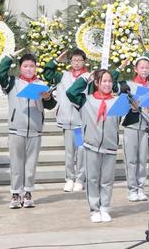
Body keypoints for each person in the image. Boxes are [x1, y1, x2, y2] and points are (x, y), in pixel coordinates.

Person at [0, 50, 57, 209]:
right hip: (17, 130)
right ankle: (16, 193)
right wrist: (10, 56)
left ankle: (28, 192)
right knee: (16, 163)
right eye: (26, 66)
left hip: (35, 130)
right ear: (20, 68)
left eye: (32, 66)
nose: (29, 69)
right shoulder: (12, 82)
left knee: (31, 164)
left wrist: (47, 97)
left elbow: (51, 105)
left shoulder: (41, 84)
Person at [66, 69, 120, 223]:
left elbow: (129, 115)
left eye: (110, 81)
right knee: (93, 179)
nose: (107, 84)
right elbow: (71, 92)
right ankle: (94, 209)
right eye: (104, 81)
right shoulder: (86, 100)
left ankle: (105, 208)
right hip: (91, 146)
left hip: (110, 147)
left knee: (107, 180)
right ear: (97, 83)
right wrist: (85, 78)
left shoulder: (117, 101)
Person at [44, 48, 89, 192]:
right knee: (69, 152)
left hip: (80, 121)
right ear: (69, 62)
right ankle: (69, 178)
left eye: (79, 60)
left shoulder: (88, 77)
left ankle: (80, 179)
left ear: (84, 61)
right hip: (67, 121)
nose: (76, 63)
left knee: (81, 150)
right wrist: (56, 60)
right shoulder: (63, 76)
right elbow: (47, 73)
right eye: (74, 60)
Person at [119, 54, 149, 202]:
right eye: (141, 67)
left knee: (143, 159)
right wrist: (132, 108)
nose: (144, 70)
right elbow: (121, 107)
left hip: (146, 126)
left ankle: (140, 188)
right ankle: (132, 189)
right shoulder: (129, 86)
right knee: (131, 159)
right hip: (131, 126)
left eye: (147, 67)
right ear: (135, 69)